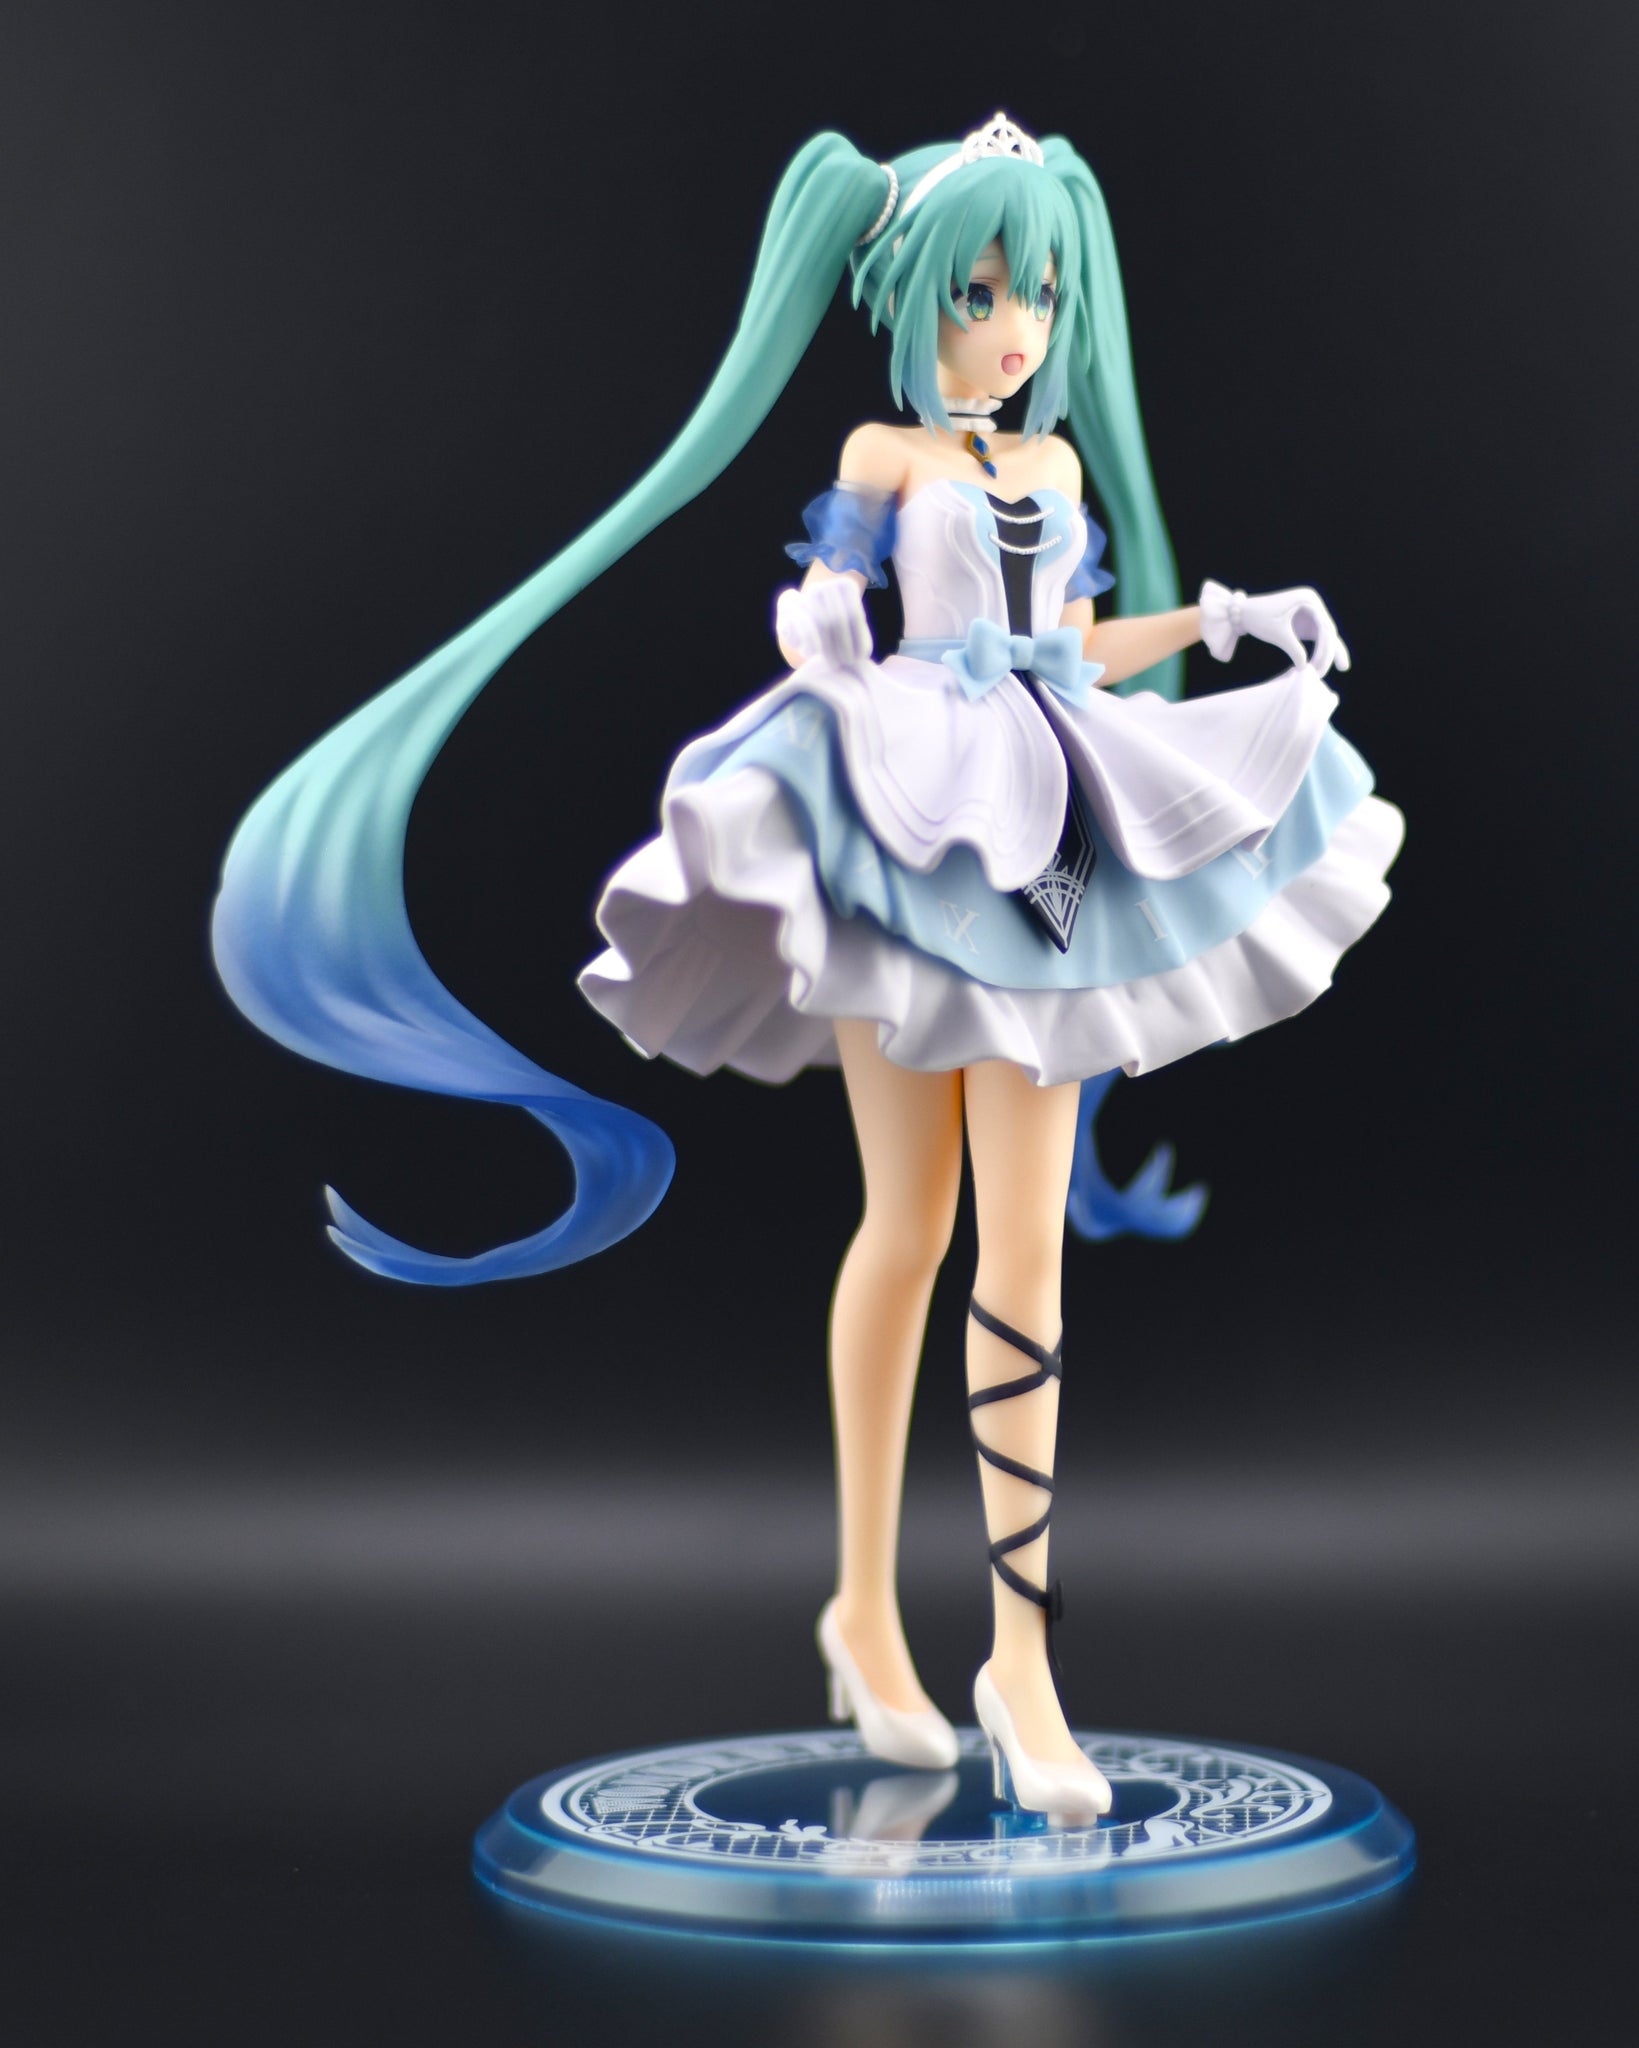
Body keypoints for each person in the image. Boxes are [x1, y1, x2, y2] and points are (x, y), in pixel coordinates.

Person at [212, 115, 1403, 1822]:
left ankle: (1022, 1660)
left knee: (1023, 1251)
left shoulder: (1057, 471)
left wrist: (1223, 623)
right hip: (910, 809)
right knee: (908, 1228)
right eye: (979, 293)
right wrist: (824, 632)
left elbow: (1072, 644)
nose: (1013, 329)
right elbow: (827, 592)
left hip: (1053, 819)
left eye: (1039, 295)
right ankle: (861, 1606)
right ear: (911, 296)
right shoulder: (884, 453)